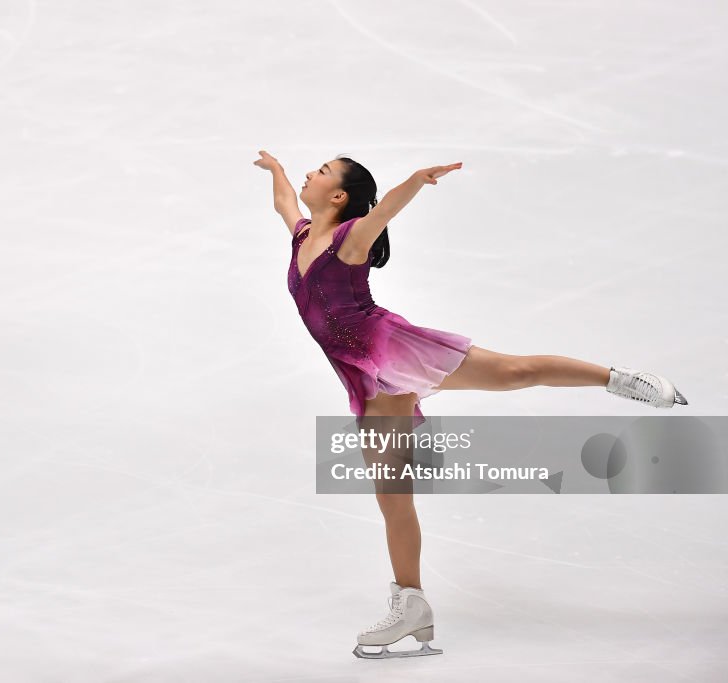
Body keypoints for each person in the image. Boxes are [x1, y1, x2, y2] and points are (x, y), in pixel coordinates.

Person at [252, 150, 689, 659]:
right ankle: (411, 604)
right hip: (368, 380)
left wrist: (415, 180)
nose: (311, 174)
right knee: (392, 496)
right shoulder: (304, 234)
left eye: (321, 172)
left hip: (394, 349)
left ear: (339, 196)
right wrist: (277, 170)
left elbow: (383, 210)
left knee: (513, 373)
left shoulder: (350, 242)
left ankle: (620, 379)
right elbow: (285, 202)